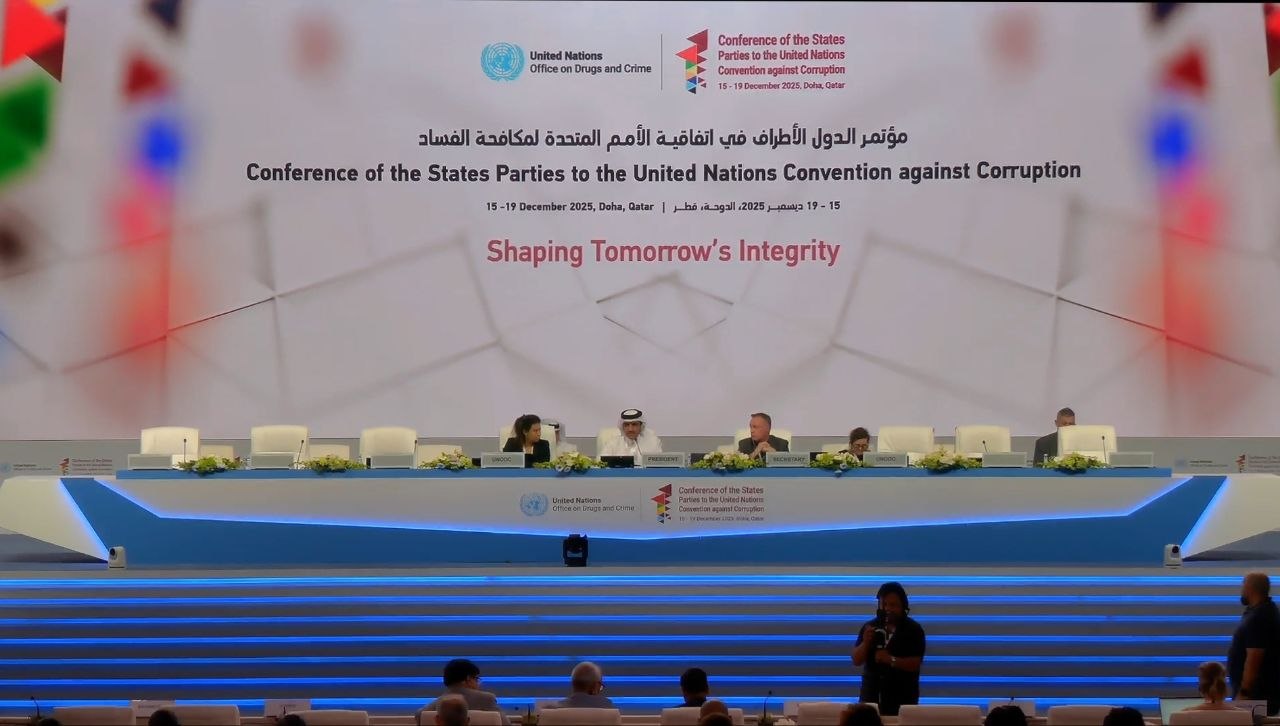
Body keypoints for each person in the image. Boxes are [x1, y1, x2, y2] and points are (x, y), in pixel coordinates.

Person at [852, 581, 926, 716]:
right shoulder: (870, 627)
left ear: (903, 605)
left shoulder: (914, 630)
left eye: (893, 605)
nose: (888, 609)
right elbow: (856, 660)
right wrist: (865, 643)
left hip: (902, 700)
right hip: (870, 699)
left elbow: (915, 663)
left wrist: (890, 660)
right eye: (884, 604)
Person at [1229, 572, 1280, 714]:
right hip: (1258, 695)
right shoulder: (1260, 611)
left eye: (1243, 585)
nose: (1242, 590)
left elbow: (1254, 657)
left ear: (1250, 588)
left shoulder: (1260, 617)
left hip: (1256, 697)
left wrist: (1244, 693)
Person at [422, 658, 510, 725]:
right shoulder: (486, 699)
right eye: (477, 679)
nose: (478, 684)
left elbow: (419, 716)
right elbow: (506, 724)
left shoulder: (428, 710)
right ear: (468, 678)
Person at [549, 661, 615, 708]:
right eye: (600, 687)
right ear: (596, 686)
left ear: (573, 684)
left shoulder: (556, 710)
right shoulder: (607, 707)